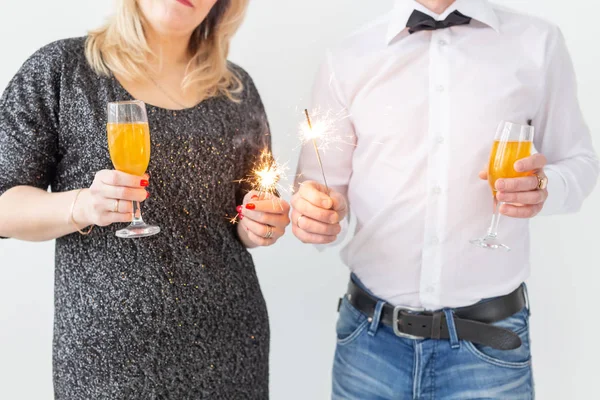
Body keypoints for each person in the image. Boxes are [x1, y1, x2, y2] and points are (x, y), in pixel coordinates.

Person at [291, 0, 599, 398]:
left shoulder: (538, 42)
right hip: (368, 345)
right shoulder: (347, 57)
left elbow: (580, 161)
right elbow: (320, 191)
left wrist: (545, 187)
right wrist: (316, 219)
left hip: (490, 348)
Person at [0, 0, 290, 398]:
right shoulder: (64, 70)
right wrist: (82, 205)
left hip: (232, 349)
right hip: (107, 363)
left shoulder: (235, 90)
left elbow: (251, 211)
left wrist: (260, 224)